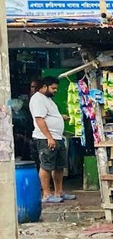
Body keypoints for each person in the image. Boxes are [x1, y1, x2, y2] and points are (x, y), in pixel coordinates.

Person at [29, 76, 75, 204]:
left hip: (57, 137)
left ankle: (59, 192)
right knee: (46, 166)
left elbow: (48, 115)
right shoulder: (37, 99)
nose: (55, 91)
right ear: (44, 86)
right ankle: (46, 194)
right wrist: (49, 137)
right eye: (53, 88)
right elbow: (39, 119)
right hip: (45, 138)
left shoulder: (48, 99)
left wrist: (60, 117)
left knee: (59, 166)